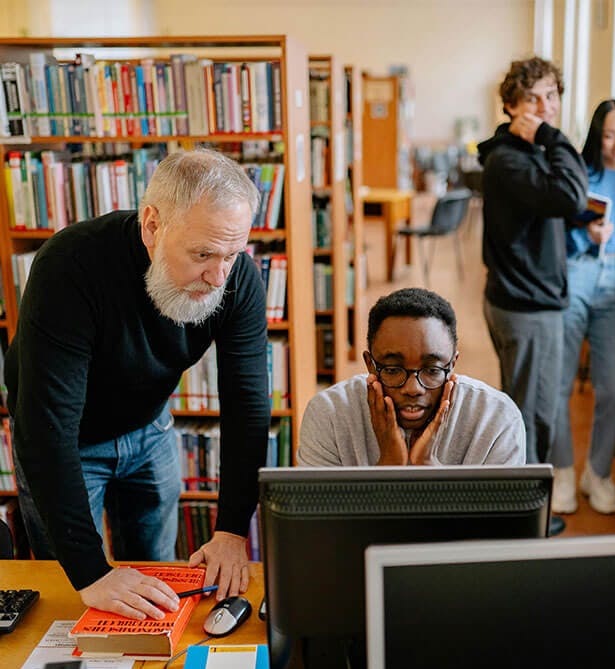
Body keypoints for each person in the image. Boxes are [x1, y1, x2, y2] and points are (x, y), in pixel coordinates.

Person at [6, 148, 270, 618]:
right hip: (68, 444)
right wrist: (91, 573)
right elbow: (46, 429)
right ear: (152, 225)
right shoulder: (70, 266)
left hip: (150, 429)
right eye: (203, 253)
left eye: (233, 253)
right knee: (73, 601)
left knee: (154, 585)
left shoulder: (237, 279)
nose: (218, 277)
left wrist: (232, 529)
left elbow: (247, 405)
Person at [478, 56, 588, 533]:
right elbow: (569, 196)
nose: (546, 107)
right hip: (527, 305)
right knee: (533, 414)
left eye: (552, 96)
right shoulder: (508, 159)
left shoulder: (517, 156)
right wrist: (551, 136)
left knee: (528, 408)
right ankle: (526, 519)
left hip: (524, 297)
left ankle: (522, 511)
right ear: (510, 107)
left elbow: (560, 204)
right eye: (534, 99)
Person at [551, 100, 615, 515]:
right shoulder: (577, 170)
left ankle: (598, 471)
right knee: (558, 383)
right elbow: (553, 227)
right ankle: (561, 470)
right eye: (610, 134)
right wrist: (584, 232)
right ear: (596, 135)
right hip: (573, 272)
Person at [297, 288, 525, 467]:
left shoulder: (497, 418)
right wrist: (388, 466)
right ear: (370, 365)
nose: (413, 388)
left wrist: (428, 466)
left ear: (452, 365)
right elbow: (322, 526)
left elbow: (498, 527)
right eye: (393, 370)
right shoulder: (328, 415)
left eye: (433, 370)